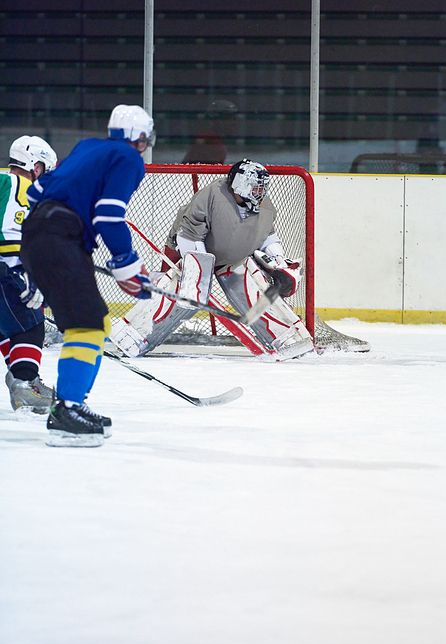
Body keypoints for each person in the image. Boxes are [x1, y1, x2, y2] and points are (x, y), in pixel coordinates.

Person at [20, 104, 155, 447]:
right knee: (88, 326)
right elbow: (108, 215)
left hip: (40, 234)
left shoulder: (86, 147)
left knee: (99, 322)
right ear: (141, 138)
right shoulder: (129, 158)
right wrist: (127, 264)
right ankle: (66, 410)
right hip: (59, 237)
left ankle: (75, 403)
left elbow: (35, 192)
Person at [110, 159, 313, 361]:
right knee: (181, 293)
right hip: (194, 252)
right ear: (241, 185)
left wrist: (277, 259)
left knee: (256, 290)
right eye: (255, 188)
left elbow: (268, 235)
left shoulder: (265, 206)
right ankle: (133, 336)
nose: (260, 193)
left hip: (234, 259)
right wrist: (198, 272)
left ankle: (286, 338)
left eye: (262, 188)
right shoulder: (212, 196)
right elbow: (188, 234)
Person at [0, 135, 57, 413]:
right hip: (3, 266)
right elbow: (9, 231)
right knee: (30, 323)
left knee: (5, 325)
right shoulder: (17, 184)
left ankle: (26, 379)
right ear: (35, 166)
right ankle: (23, 383)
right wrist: (23, 270)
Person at [182, 99, 238, 165]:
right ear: (216, 120)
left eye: (234, 118)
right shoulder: (208, 140)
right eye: (228, 119)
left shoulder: (217, 140)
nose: (234, 123)